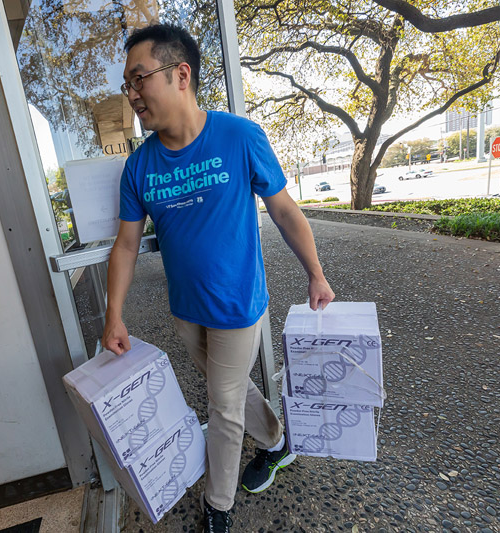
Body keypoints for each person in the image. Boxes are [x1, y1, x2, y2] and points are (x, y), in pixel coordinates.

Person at [102, 23, 334, 533]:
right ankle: (277, 442)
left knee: (222, 407)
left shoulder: (238, 136)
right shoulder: (139, 166)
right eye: (128, 84)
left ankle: (218, 508)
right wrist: (113, 316)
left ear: (180, 74)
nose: (133, 94)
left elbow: (284, 211)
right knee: (224, 388)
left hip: (236, 306)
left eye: (139, 79)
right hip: (186, 309)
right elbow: (125, 245)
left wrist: (315, 274)